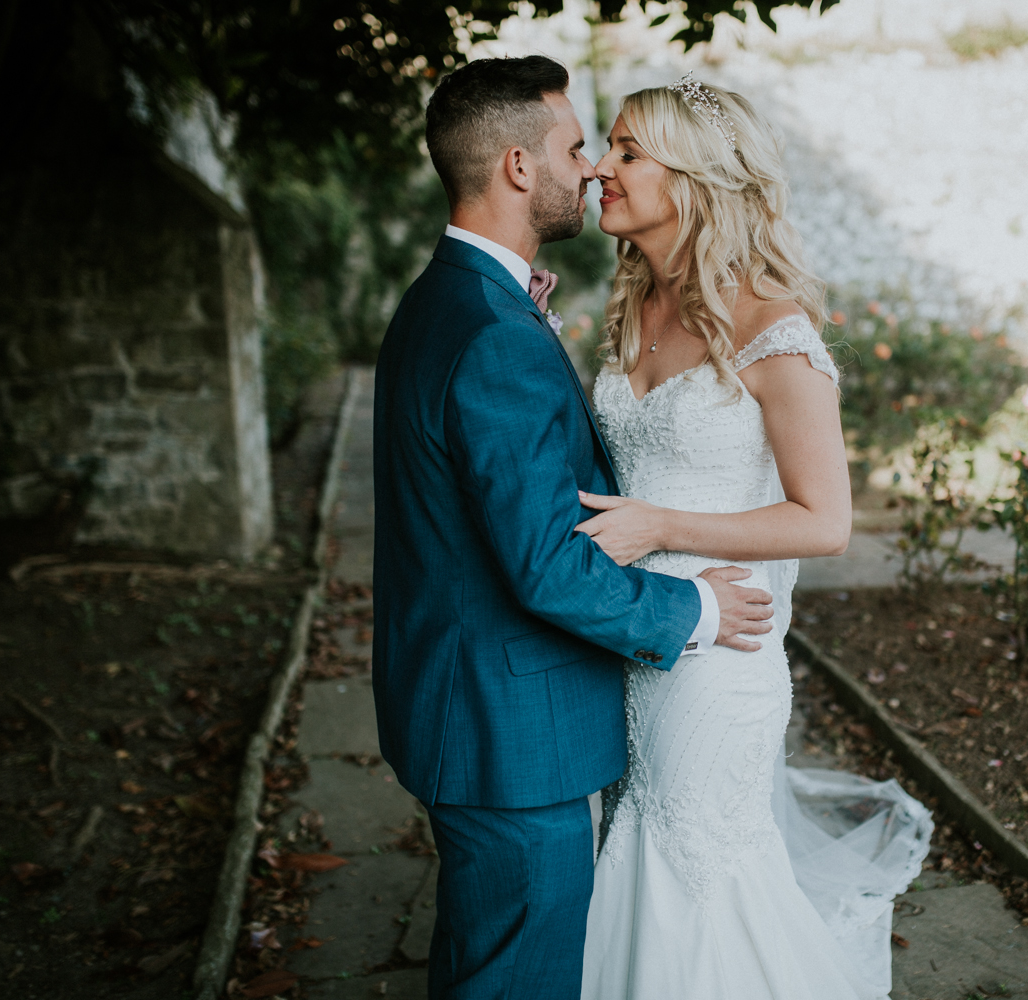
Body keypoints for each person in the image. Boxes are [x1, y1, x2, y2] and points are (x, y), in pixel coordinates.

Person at [371, 56, 777, 1000]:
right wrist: (698, 614)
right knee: (517, 981)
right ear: (519, 167)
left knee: (493, 966)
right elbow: (546, 564)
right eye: (577, 146)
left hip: (466, 707)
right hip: (510, 735)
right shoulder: (493, 329)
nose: (591, 168)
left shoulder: (452, 299)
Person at [573, 76, 934, 999]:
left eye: (626, 152)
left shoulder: (776, 330)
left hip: (721, 649)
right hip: (635, 627)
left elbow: (826, 520)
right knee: (635, 847)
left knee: (696, 871)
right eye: (607, 149)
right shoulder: (632, 311)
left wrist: (663, 526)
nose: (599, 169)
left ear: (693, 179)